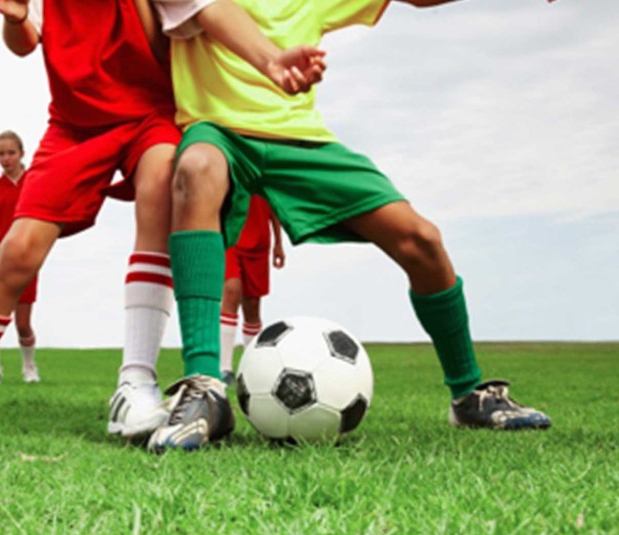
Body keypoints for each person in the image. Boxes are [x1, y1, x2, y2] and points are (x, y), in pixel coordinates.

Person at [0, 0, 324, 436]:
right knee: (20, 248)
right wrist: (16, 19)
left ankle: (135, 381)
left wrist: (271, 60)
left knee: (160, 185)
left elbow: (202, 14)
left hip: (150, 113)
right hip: (74, 124)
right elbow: (24, 42)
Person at [147, 0, 553, 451]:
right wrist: (272, 61)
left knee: (421, 239)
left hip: (300, 141)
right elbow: (211, 10)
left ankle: (468, 395)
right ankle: (205, 388)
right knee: (196, 167)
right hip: (219, 133)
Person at [0, 131, 39, 386]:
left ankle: (29, 367)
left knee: (22, 324)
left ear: (22, 153)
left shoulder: (34, 183)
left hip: (24, 256)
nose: (6, 158)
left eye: (11, 153)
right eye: (0, 154)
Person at [220, 195, 283, 386]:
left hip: (259, 241)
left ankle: (252, 367)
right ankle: (224, 368)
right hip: (230, 235)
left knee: (252, 305)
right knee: (231, 291)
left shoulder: (269, 175)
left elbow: (275, 205)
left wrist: (278, 243)